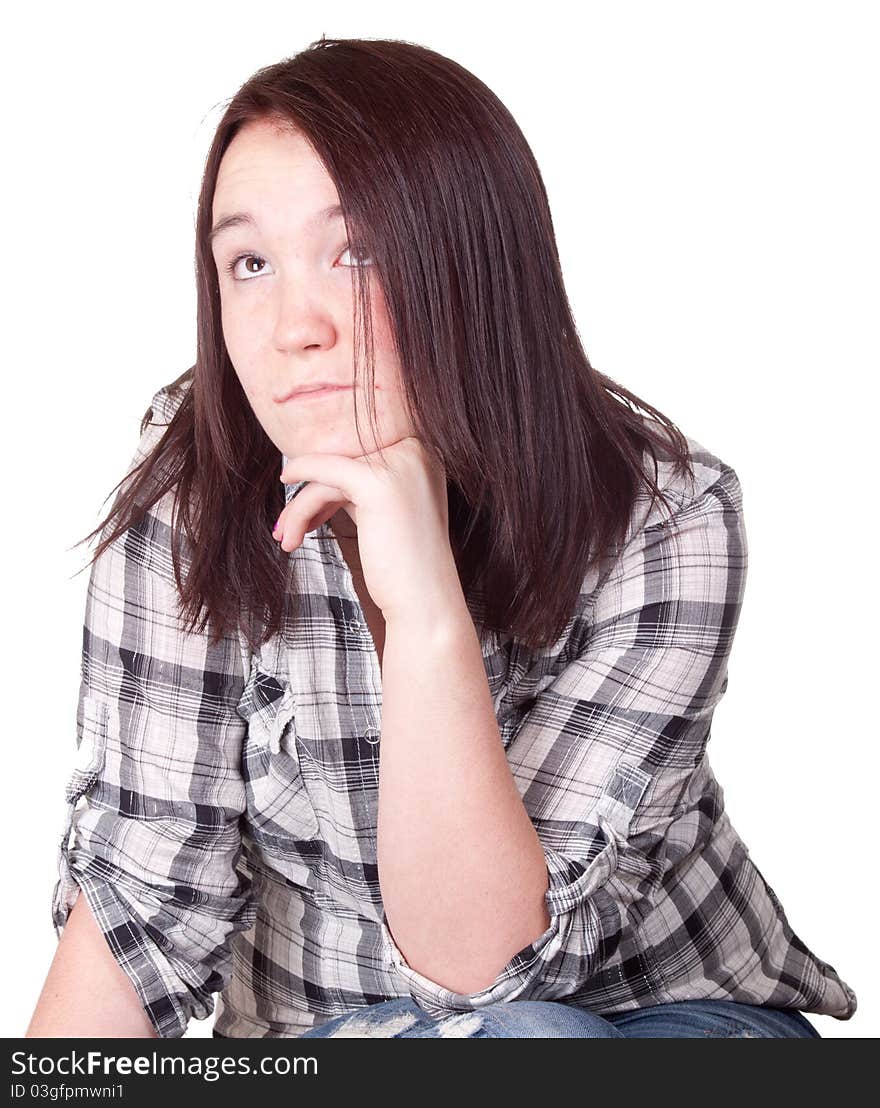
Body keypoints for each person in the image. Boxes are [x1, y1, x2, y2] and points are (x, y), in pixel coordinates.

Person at [27, 36, 856, 1040]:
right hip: (342, 1035)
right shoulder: (189, 496)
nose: (295, 325)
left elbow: (489, 972)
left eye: (358, 251)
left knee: (529, 1037)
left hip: (661, 1011)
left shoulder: (663, 515)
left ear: (476, 262)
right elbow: (142, 895)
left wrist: (423, 609)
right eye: (250, 263)